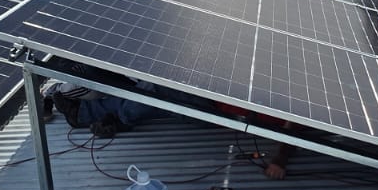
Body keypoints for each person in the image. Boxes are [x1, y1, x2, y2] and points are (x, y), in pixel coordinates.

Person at [42, 70, 300, 180]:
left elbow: (296, 124)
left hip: (214, 109)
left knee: (155, 91)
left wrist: (280, 161)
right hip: (215, 89)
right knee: (154, 86)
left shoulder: (304, 95)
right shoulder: (283, 64)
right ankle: (94, 111)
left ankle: (89, 114)